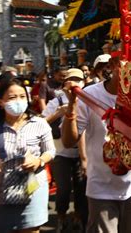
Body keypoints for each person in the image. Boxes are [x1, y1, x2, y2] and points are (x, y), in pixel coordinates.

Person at [61, 55, 131, 233]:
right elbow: (69, 141)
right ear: (115, 65)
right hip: (102, 189)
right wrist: (72, 105)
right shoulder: (90, 95)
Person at [0, 78, 56, 232]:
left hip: (33, 189)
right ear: (0, 102)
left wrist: (39, 161)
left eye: (22, 97)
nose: (19, 101)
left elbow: (50, 151)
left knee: (31, 229)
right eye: (12, 98)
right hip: (1, 193)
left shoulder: (39, 123)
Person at [42, 68, 87, 232]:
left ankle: (79, 217)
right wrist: (56, 114)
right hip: (60, 152)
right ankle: (61, 217)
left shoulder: (88, 100)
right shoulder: (56, 102)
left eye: (79, 79)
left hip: (83, 153)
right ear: (64, 84)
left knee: (82, 188)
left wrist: (85, 158)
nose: (76, 83)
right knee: (64, 189)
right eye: (71, 79)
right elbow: (40, 125)